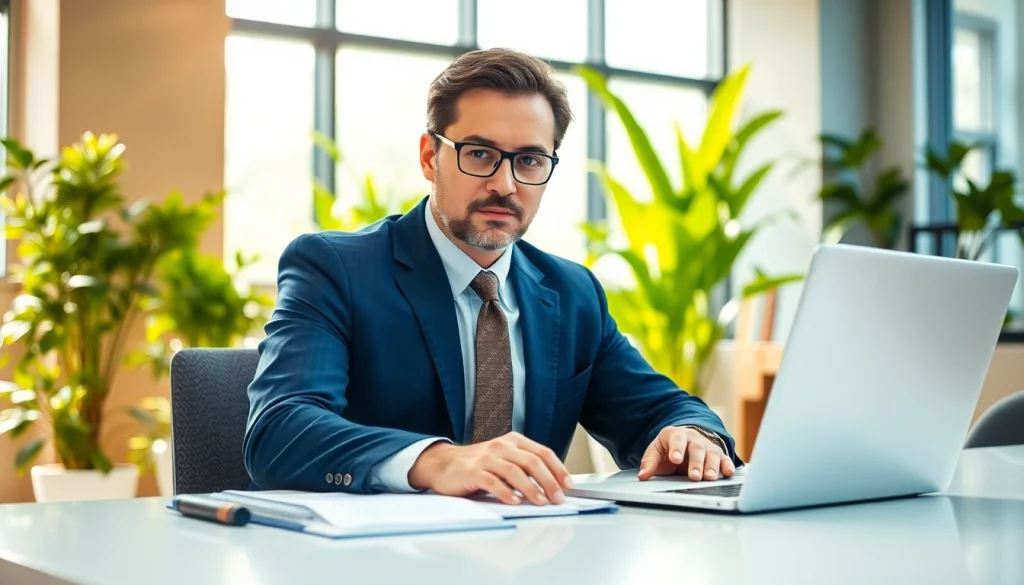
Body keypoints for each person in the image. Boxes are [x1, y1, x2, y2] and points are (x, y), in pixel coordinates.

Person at [243, 47, 742, 507]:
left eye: (529, 160)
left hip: (529, 555)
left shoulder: (572, 294)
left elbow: (662, 409)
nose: (505, 185)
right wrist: (435, 460)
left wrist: (692, 434)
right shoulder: (335, 269)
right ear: (428, 157)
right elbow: (280, 431)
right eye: (479, 153)